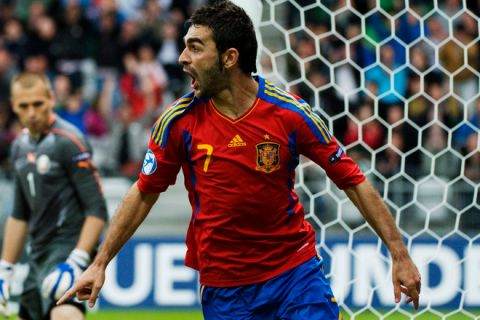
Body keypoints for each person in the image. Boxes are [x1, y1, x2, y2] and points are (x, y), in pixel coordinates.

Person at [59, 1, 421, 319]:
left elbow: (351, 178)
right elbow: (143, 192)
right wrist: (100, 263)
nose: (182, 58)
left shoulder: (291, 114)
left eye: (194, 48)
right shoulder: (177, 122)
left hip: (294, 271)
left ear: (229, 58)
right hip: (225, 287)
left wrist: (399, 253)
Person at [0, 72, 108, 320]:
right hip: (37, 255)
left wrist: (76, 261)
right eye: (24, 106)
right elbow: (19, 215)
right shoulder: (19, 147)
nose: (32, 112)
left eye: (37, 103)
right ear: (14, 105)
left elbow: (97, 210)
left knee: (65, 315)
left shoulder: (70, 141)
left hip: (66, 251)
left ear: (51, 98)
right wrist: (5, 270)